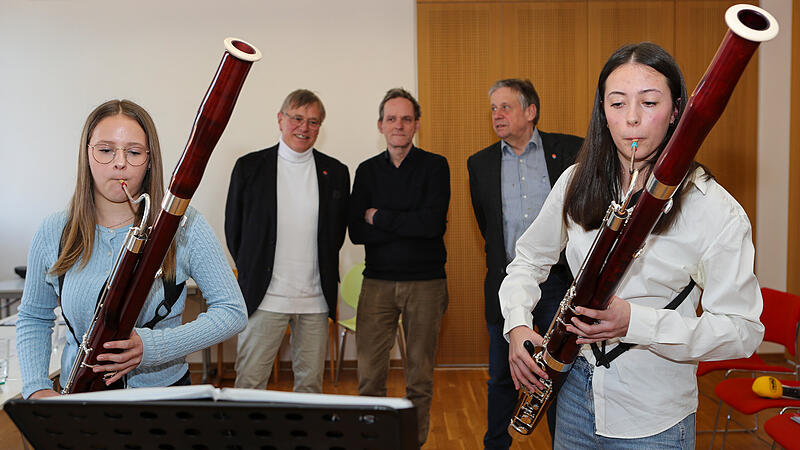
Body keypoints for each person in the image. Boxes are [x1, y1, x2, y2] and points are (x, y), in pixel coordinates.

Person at [499, 42, 764, 449]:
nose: (633, 120)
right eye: (618, 103)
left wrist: (635, 323)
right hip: (575, 394)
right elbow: (529, 259)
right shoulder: (576, 181)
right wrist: (517, 322)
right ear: (602, 113)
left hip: (653, 412)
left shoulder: (715, 211)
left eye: (650, 102)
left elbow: (742, 332)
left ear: (677, 111)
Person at [17, 99, 248, 399]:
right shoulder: (54, 230)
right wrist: (36, 387)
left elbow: (232, 312)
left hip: (164, 401)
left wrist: (151, 347)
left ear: (150, 160)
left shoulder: (184, 225)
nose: (119, 163)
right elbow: (34, 317)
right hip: (80, 400)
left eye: (134, 152)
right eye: (105, 150)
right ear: (86, 154)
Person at [468, 78, 582, 449]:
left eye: (506, 107)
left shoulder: (569, 151)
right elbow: (488, 225)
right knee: (502, 375)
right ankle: (496, 445)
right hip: (507, 282)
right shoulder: (480, 163)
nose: (497, 115)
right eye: (493, 109)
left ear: (530, 111)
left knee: (555, 375)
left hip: (560, 284)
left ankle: (560, 443)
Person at [226, 89, 349, 393]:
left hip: (315, 301)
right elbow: (234, 230)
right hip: (264, 299)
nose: (304, 128)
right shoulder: (249, 167)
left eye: (313, 122)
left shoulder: (336, 172)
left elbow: (335, 234)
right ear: (280, 119)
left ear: (320, 127)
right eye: (297, 118)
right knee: (250, 384)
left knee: (310, 387)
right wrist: (252, 268)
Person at [349, 88, 450, 447]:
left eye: (406, 119)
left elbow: (432, 226)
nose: (399, 125)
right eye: (391, 118)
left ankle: (413, 442)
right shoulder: (366, 171)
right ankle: (372, 440)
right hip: (376, 284)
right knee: (369, 377)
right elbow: (357, 232)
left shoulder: (435, 166)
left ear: (417, 124)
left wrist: (380, 216)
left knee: (419, 377)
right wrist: (407, 223)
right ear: (380, 125)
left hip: (426, 284)